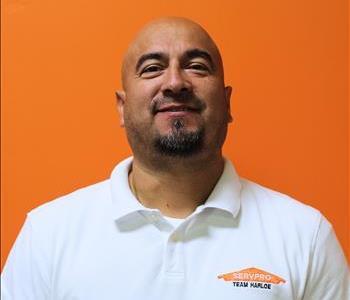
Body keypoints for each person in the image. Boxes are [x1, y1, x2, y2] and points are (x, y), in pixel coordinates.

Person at [1, 17, 349, 300]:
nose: (175, 82)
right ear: (122, 108)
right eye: (152, 68)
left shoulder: (305, 237)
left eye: (196, 66)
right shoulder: (47, 236)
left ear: (227, 103)